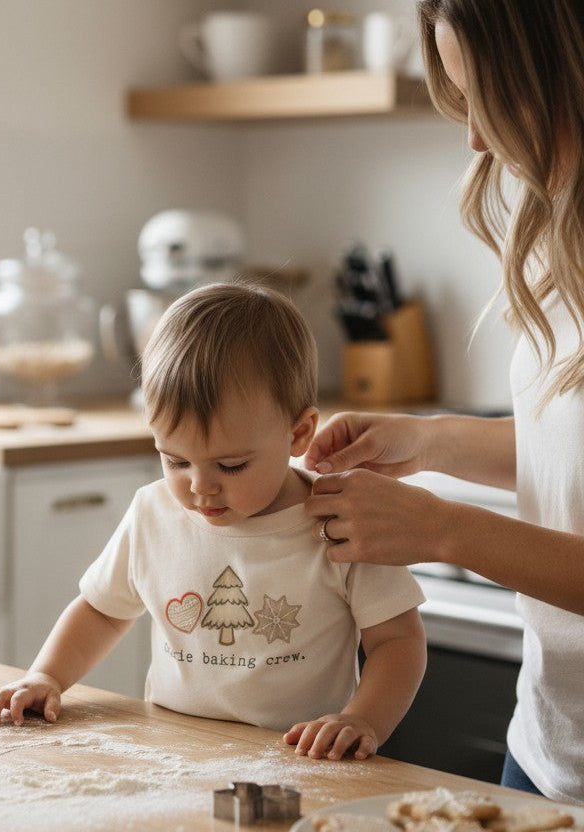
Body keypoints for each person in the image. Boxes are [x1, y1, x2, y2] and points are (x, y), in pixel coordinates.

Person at [303, 0, 584, 804]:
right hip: (547, 750)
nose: (475, 138)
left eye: (493, 98)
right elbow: (569, 453)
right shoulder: (561, 240)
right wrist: (434, 444)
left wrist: (446, 529)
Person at [0, 282, 427, 761]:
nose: (200, 487)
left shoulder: (344, 519)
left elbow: (397, 641)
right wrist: (46, 675)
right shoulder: (153, 513)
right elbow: (102, 609)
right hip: (174, 754)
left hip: (301, 762)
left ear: (299, 433)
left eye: (230, 466)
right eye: (175, 460)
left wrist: (362, 719)